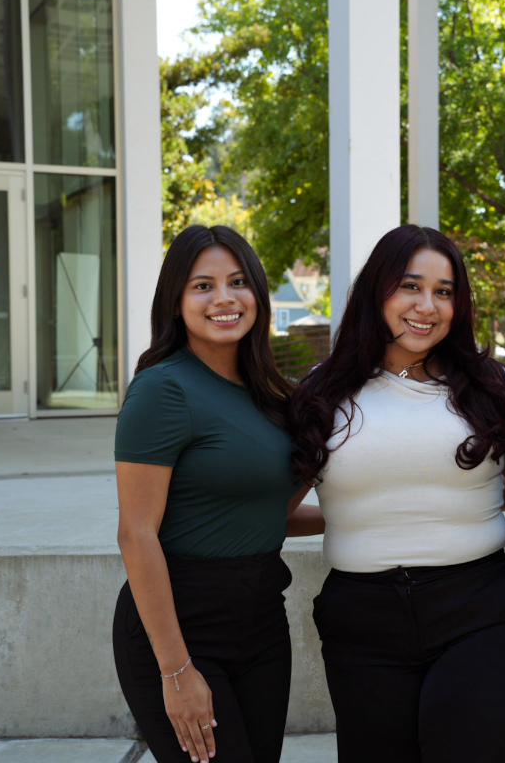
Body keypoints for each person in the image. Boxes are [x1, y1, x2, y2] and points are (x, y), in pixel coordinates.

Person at [288, 224, 505, 763]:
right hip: (362, 618)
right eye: (410, 286)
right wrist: (354, 518)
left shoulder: (496, 387)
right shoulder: (321, 392)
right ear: (377, 291)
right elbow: (275, 512)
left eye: (444, 291)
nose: (428, 306)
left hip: (480, 610)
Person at [112, 224, 318, 763]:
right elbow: (136, 534)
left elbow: (261, 512)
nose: (224, 299)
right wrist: (176, 670)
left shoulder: (270, 394)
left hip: (261, 624)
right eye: (203, 286)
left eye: (238, 282)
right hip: (184, 626)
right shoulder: (163, 389)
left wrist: (360, 518)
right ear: (176, 302)